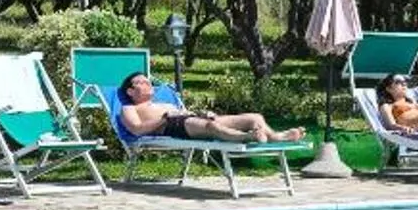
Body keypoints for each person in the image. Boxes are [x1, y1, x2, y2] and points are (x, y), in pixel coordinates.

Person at [117, 71, 289, 144]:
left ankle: (276, 137)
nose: (147, 82)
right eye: (141, 81)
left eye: (148, 80)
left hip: (187, 119)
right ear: (130, 91)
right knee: (212, 126)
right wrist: (164, 118)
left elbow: (185, 114)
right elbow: (137, 129)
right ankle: (247, 137)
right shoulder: (128, 109)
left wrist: (201, 113)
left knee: (255, 117)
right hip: (172, 126)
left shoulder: (164, 103)